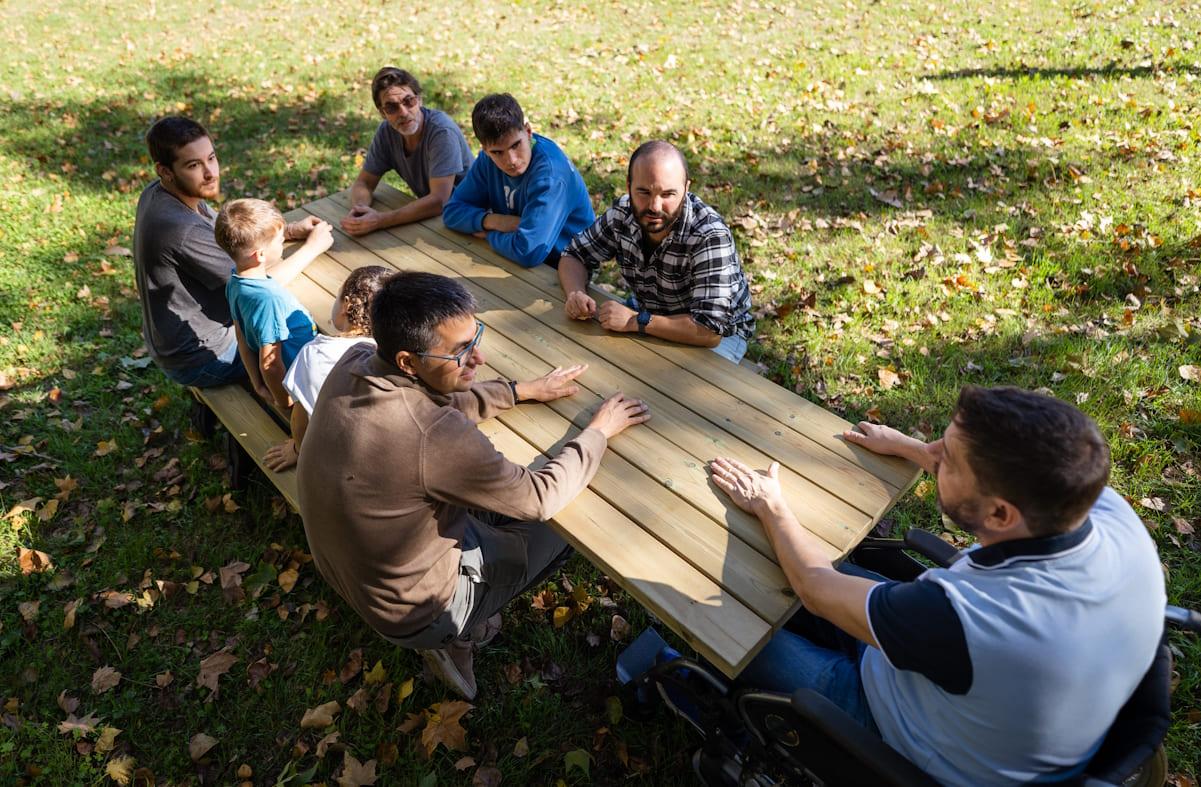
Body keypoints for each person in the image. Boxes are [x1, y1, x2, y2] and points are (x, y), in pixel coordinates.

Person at [709, 386, 1165, 786]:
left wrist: (772, 506)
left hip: (907, 733)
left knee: (730, 626)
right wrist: (911, 448)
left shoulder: (971, 615)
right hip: (998, 709)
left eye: (948, 459)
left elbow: (814, 587)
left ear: (1001, 515)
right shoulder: (1101, 509)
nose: (935, 455)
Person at [297, 272, 649, 699]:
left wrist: (519, 391)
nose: (477, 359)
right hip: (414, 611)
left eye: (474, 336)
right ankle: (458, 636)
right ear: (408, 361)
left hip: (347, 572)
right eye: (460, 352)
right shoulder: (433, 435)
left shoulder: (355, 360)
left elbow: (438, 404)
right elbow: (539, 498)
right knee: (569, 521)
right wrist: (598, 431)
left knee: (491, 499)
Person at [132, 116, 326, 387]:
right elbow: (256, 283)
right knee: (308, 336)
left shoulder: (161, 192)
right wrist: (312, 247)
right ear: (165, 171)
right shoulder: (180, 228)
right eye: (194, 165)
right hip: (204, 355)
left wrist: (288, 231)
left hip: (177, 340)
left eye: (211, 158)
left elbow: (228, 240)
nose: (211, 173)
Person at [558, 140, 755, 363]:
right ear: (628, 185)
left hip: (721, 334)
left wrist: (636, 321)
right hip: (649, 311)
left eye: (668, 194)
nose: (655, 206)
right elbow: (574, 254)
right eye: (643, 192)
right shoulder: (622, 213)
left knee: (671, 392)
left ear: (686, 189)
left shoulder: (710, 236)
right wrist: (575, 293)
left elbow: (710, 331)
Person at [263, 265, 393, 471]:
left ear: (346, 305)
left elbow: (300, 417)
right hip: (381, 456)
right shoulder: (394, 354)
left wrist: (297, 449)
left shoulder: (315, 352)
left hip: (332, 459)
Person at [441, 93, 594, 268]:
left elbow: (528, 252)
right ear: (485, 150)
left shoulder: (550, 175)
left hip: (565, 265)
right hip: (514, 255)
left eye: (515, 145)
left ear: (528, 132)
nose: (511, 160)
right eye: (498, 152)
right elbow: (451, 212)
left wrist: (489, 234)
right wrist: (494, 221)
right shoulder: (487, 160)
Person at [214, 198, 332, 409]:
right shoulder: (268, 299)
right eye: (279, 241)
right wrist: (283, 400)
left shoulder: (235, 282)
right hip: (302, 376)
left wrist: (257, 383)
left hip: (292, 371)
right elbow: (270, 363)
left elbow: (241, 335)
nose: (282, 244)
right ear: (260, 255)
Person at [340, 68, 473, 237]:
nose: (403, 112)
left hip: (469, 216)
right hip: (438, 220)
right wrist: (360, 210)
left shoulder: (442, 132)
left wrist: (380, 220)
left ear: (420, 100)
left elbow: (439, 201)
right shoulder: (387, 132)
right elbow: (364, 183)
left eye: (409, 101)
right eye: (391, 108)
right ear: (382, 113)